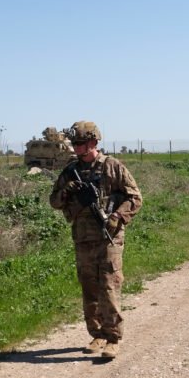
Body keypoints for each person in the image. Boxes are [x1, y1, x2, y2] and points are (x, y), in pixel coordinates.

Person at [49, 121, 142, 359]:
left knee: (109, 286)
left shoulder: (112, 167)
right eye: (75, 144)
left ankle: (113, 338)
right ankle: (97, 334)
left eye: (80, 143)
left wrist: (117, 216)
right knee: (89, 288)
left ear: (93, 142)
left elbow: (135, 197)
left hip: (108, 238)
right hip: (83, 239)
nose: (77, 147)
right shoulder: (71, 171)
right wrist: (67, 191)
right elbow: (55, 202)